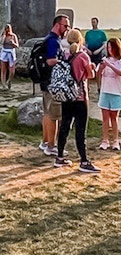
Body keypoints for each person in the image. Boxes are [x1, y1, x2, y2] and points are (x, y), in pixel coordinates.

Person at [54, 28, 100, 173]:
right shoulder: (83, 56)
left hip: (66, 97)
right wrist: (92, 67)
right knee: (80, 130)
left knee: (64, 127)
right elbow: (90, 75)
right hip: (80, 97)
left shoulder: (65, 55)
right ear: (81, 40)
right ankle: (84, 161)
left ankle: (60, 157)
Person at [39, 14, 70, 156]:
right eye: (65, 26)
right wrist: (64, 62)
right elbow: (50, 60)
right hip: (54, 83)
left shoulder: (48, 39)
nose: (67, 29)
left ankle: (45, 141)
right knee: (55, 116)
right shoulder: (53, 41)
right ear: (57, 25)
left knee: (46, 113)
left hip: (46, 82)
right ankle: (51, 146)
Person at [97, 38, 121, 151]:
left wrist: (109, 65)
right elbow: (97, 75)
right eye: (108, 47)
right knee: (105, 118)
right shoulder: (105, 59)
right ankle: (105, 140)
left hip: (116, 92)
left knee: (114, 118)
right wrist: (101, 68)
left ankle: (116, 141)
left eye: (111, 47)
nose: (110, 50)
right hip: (105, 91)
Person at [0, 24, 19, 90]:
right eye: (6, 28)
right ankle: (3, 85)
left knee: (12, 70)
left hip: (11, 52)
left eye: (8, 28)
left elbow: (17, 45)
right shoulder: (3, 36)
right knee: (3, 69)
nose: (7, 29)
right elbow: (1, 42)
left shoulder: (13, 36)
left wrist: (13, 43)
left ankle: (9, 81)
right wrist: (4, 36)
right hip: (4, 52)